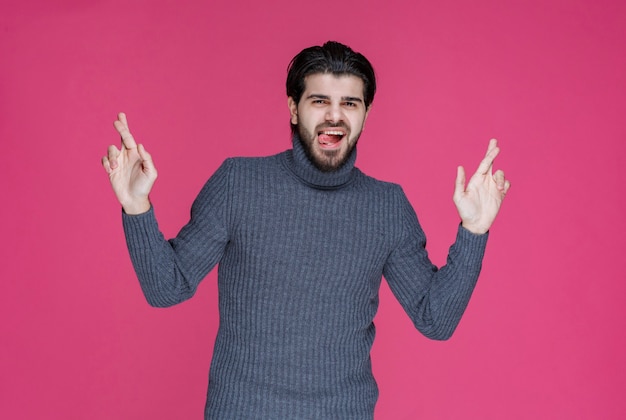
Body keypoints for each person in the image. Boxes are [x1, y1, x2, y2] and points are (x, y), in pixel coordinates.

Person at [102, 41, 510, 419]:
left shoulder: (387, 206)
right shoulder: (239, 183)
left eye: (350, 103)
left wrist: (474, 231)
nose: (335, 115)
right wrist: (136, 207)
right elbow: (166, 288)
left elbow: (434, 320)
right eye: (320, 101)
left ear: (366, 114)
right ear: (294, 109)